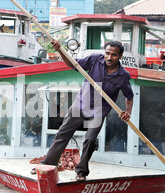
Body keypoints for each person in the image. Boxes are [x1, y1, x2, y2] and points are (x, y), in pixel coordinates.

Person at [33, 40, 134, 182]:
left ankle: (81, 171)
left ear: (120, 56)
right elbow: (73, 64)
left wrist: (127, 111)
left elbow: (129, 96)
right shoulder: (94, 59)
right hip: (81, 104)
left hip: (99, 110)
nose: (109, 57)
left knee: (90, 139)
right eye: (107, 53)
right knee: (63, 133)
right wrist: (60, 50)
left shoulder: (123, 76)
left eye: (114, 55)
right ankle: (48, 164)